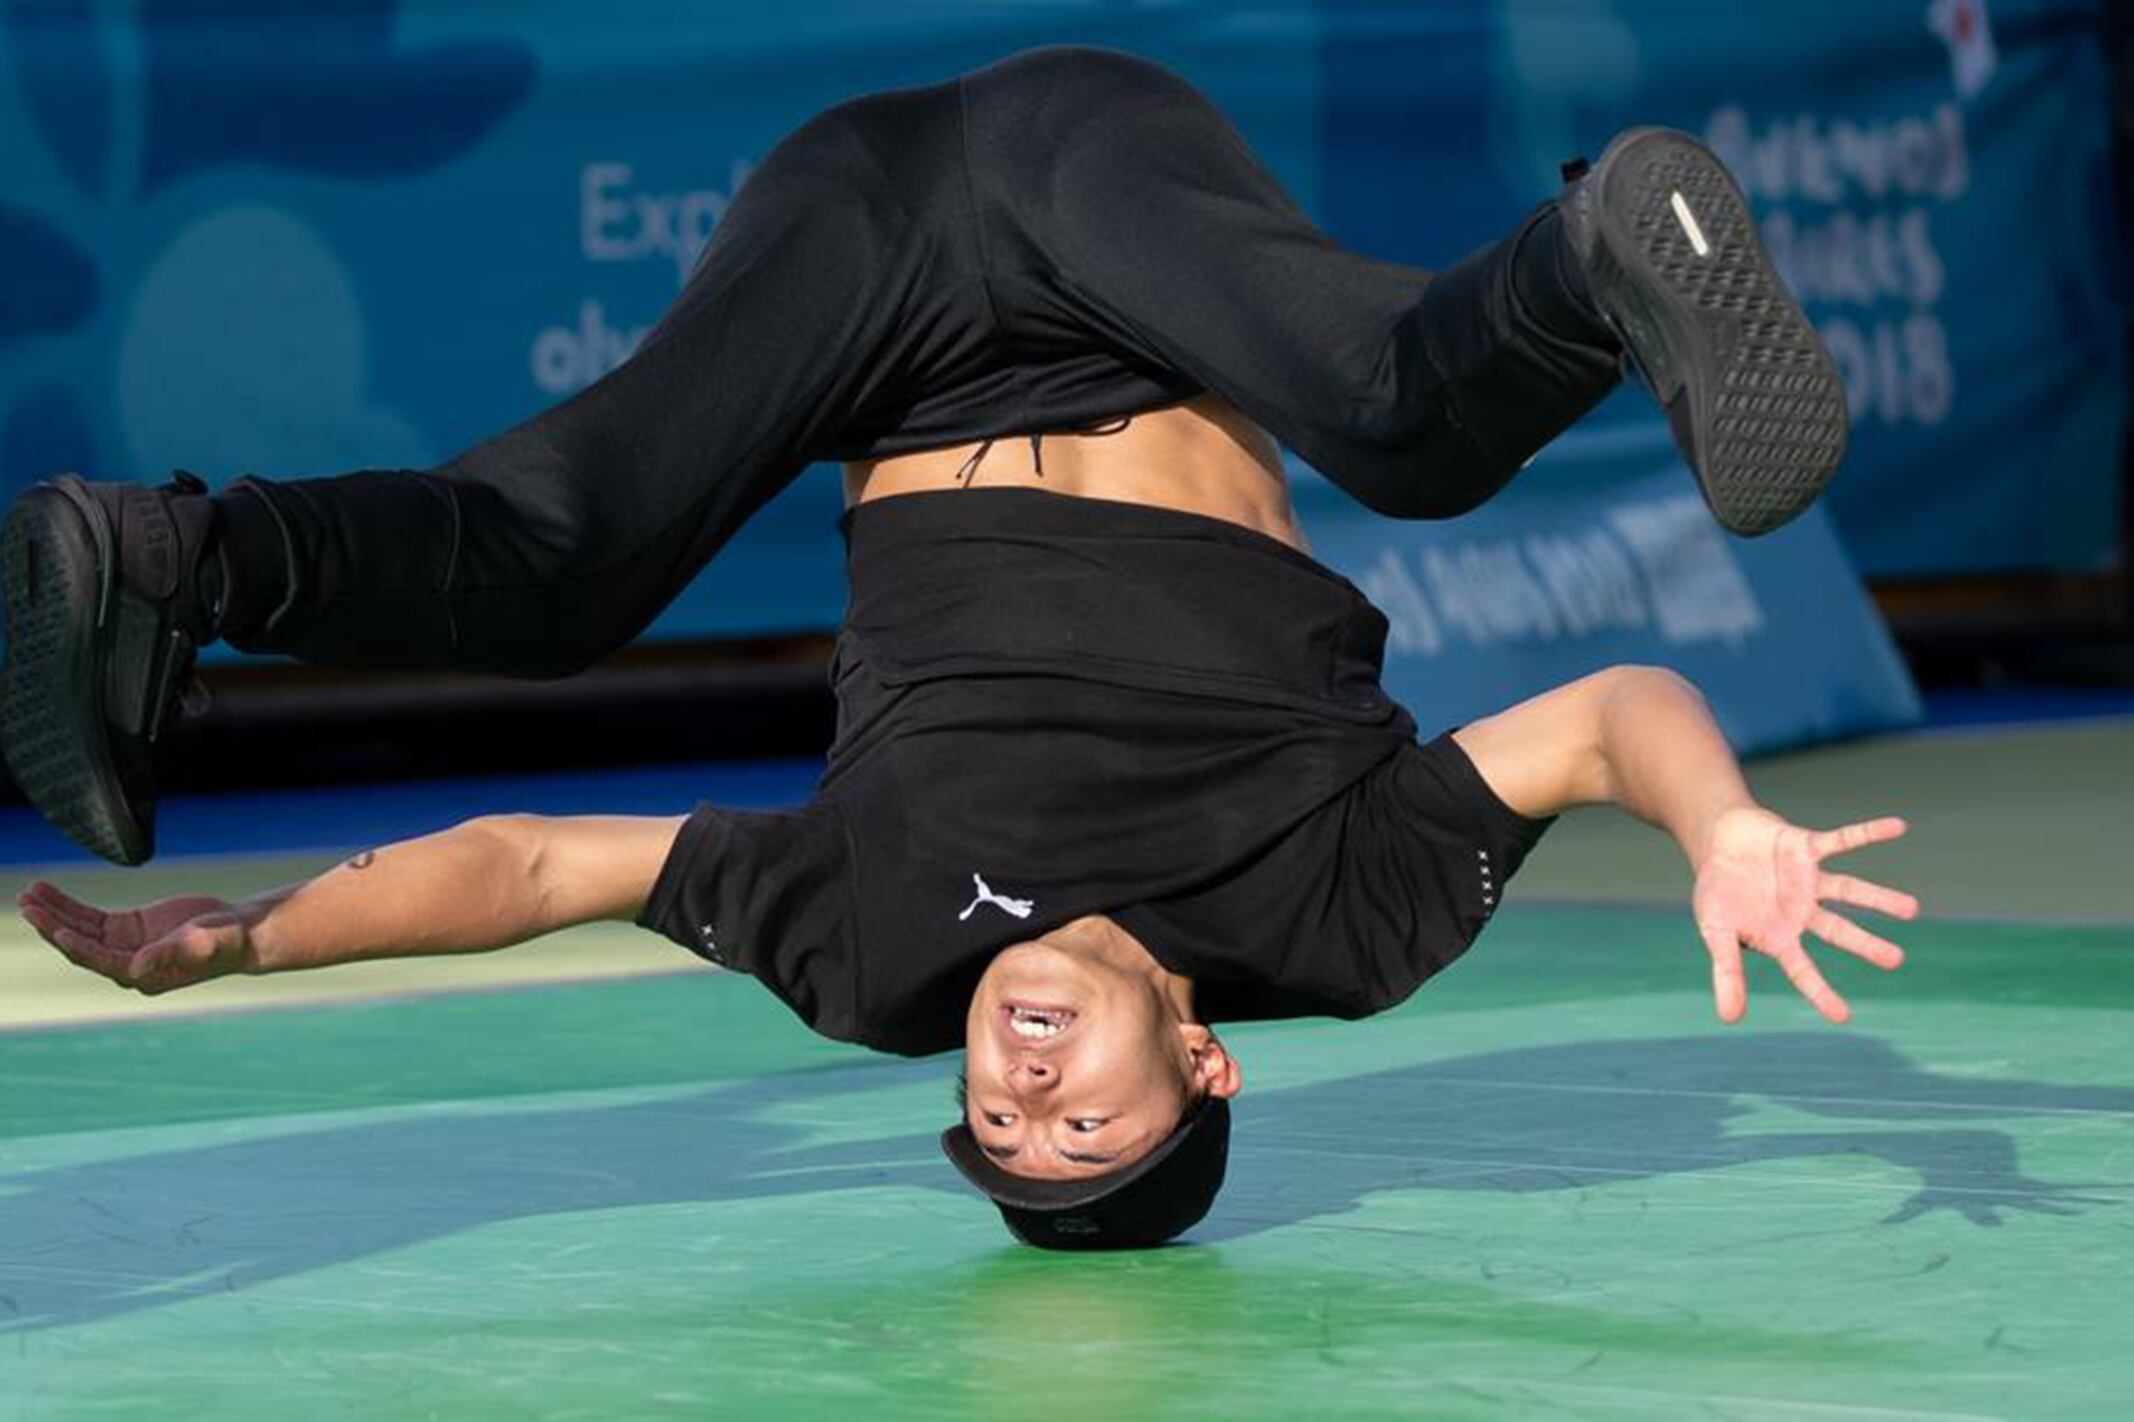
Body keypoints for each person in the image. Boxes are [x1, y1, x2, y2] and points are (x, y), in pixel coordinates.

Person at [3, 47, 1913, 1249]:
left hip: (872, 270)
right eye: (1082, 1123)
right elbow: (1608, 715)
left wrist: (248, 941)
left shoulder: (873, 953)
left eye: (1000, 1125)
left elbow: (530, 864)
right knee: (1396, 424)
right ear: (1205, 1065)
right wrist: (1718, 827)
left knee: (557, 563)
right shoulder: (1346, 926)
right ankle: (1603, 250)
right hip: (1115, 224)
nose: (1019, 1092)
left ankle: (171, 559)